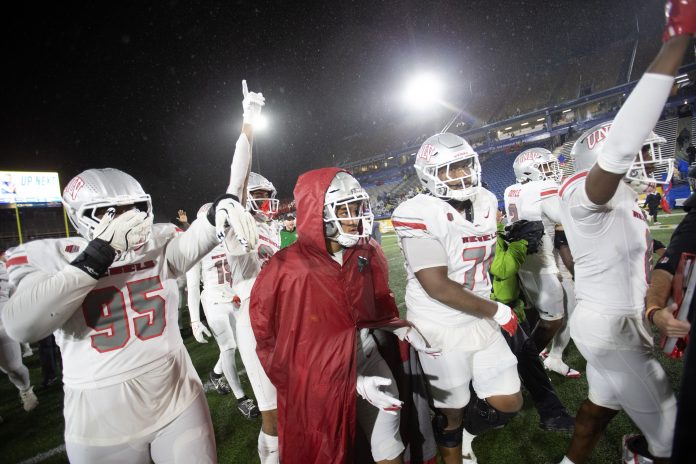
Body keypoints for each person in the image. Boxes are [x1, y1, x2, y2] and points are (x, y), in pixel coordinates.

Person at [1, 167, 256, 464]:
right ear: (79, 215)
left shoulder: (159, 240)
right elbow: (22, 326)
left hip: (176, 394)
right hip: (99, 417)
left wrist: (217, 212)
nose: (129, 219)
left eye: (134, 208)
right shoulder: (48, 255)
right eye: (111, 212)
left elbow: (192, 242)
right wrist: (98, 254)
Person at [556, 9, 692, 462]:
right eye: (641, 150)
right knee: (671, 437)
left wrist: (654, 308)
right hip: (610, 328)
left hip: (618, 322)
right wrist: (676, 43)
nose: (650, 157)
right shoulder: (583, 194)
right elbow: (617, 150)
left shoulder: (628, 200)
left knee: (598, 411)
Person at [251, 167, 439, 464]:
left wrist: (397, 327)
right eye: (344, 209)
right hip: (317, 380)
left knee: (390, 445)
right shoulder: (284, 270)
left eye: (358, 207)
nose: (355, 218)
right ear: (318, 212)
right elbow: (273, 347)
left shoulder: (367, 252)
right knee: (327, 452)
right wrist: (348, 382)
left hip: (367, 357)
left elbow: (372, 310)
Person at [392, 133, 522, 464]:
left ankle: (467, 433)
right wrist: (499, 310)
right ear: (428, 175)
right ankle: (454, 449)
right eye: (450, 168)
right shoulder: (416, 212)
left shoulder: (487, 200)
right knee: (452, 410)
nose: (462, 174)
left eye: (465, 164)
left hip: (480, 317)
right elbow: (437, 285)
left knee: (509, 401)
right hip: (440, 323)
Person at [221, 80, 283, 464]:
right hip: (252, 318)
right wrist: (249, 123)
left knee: (296, 401)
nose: (263, 204)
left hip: (282, 314)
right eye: (257, 198)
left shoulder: (273, 229)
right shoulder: (236, 219)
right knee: (273, 414)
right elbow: (239, 177)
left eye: (266, 198)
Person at [490, 216, 575, 432]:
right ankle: (483, 414)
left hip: (508, 306)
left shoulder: (493, 232)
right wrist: (521, 243)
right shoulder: (480, 237)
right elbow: (502, 269)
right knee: (518, 360)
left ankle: (552, 413)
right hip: (493, 310)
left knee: (528, 359)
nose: (497, 215)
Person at [504, 148, 580, 378]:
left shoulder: (513, 189)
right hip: (539, 260)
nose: (552, 170)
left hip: (536, 256)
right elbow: (562, 217)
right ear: (529, 171)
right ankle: (525, 367)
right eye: (546, 166)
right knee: (553, 319)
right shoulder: (541, 187)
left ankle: (553, 358)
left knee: (567, 310)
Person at [186, 203, 259, 419]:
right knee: (229, 347)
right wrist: (194, 320)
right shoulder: (197, 249)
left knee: (243, 344)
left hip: (236, 298)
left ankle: (216, 374)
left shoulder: (234, 239)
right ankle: (241, 398)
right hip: (214, 301)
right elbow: (192, 287)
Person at [0, 251, 39, 412]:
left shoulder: (3, 268)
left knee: (13, 366)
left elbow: (15, 294)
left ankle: (26, 390)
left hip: (2, 324)